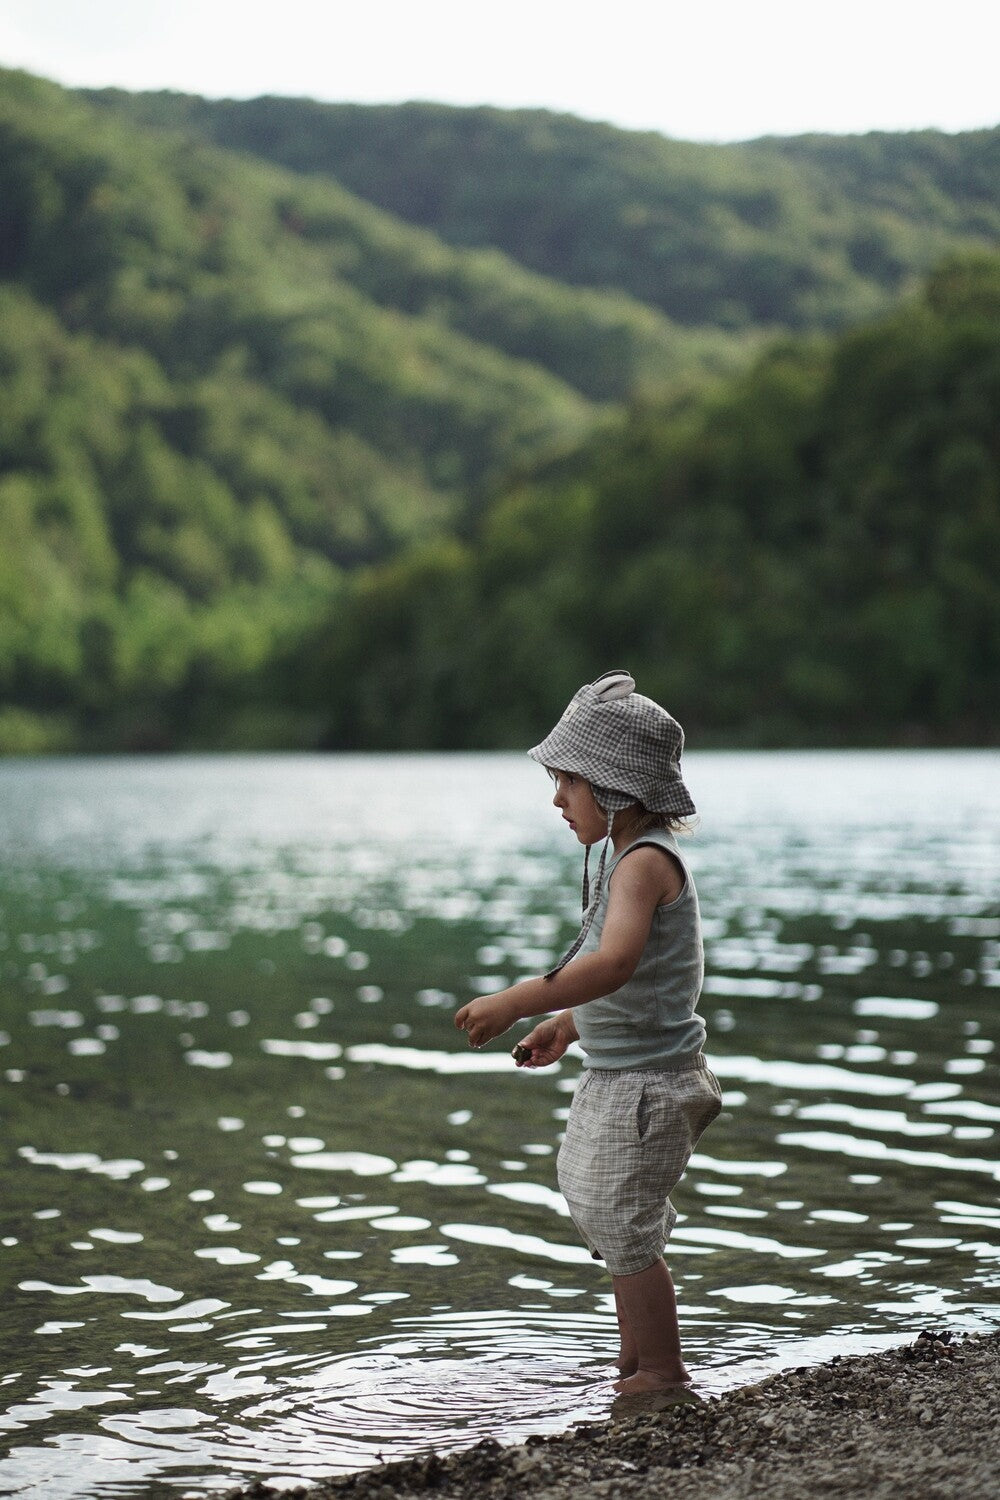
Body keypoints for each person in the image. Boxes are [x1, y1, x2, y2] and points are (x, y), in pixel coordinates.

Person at [455, 669, 721, 1394]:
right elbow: (631, 981)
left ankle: (661, 1369)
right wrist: (567, 1025)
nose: (557, 800)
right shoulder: (624, 860)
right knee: (607, 1210)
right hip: (624, 1072)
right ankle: (633, 1359)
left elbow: (613, 964)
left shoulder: (643, 864)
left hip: (650, 1083)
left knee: (622, 1220)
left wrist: (516, 999)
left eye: (567, 784)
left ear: (613, 788)